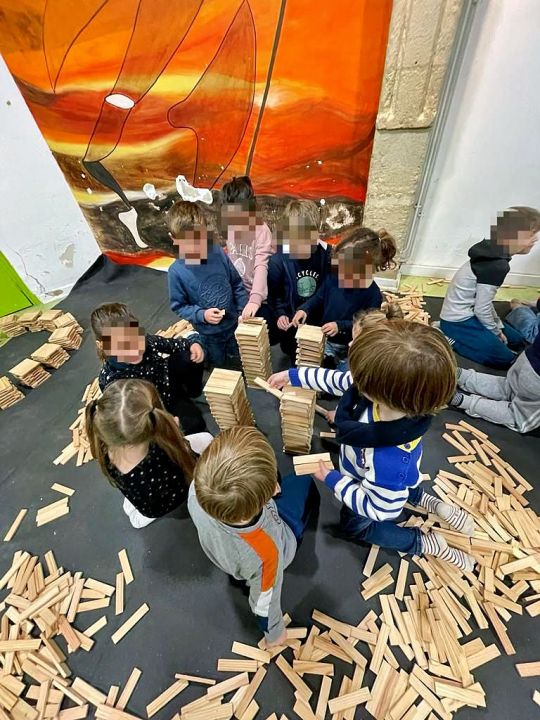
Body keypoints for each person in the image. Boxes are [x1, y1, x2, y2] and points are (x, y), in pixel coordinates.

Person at [269, 321, 476, 571]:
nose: (349, 344)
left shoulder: (388, 462)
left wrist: (333, 480)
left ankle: (425, 543)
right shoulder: (391, 395)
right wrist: (293, 376)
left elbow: (377, 509)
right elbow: (338, 380)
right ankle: (431, 503)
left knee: (357, 526)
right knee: (401, 488)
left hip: (373, 487)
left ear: (378, 392)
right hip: (389, 479)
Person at [188, 427, 316, 647]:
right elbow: (265, 604)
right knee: (304, 482)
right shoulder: (268, 553)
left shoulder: (195, 491)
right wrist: (275, 634)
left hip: (225, 552)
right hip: (279, 541)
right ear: (268, 496)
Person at [86, 379, 213, 528]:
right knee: (207, 438)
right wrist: (173, 431)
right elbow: (183, 457)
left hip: (145, 497)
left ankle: (138, 509)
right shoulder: (163, 451)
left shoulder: (104, 448)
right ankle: (143, 513)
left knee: (141, 502)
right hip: (171, 498)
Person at [439, 206, 540, 369]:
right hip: (458, 320)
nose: (535, 239)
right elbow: (481, 309)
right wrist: (496, 333)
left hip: (473, 312)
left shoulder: (494, 252)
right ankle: (446, 336)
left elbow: (484, 302)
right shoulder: (496, 266)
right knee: (506, 359)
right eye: (531, 235)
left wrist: (498, 326)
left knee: (518, 342)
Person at [91, 302, 206, 435]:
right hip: (153, 410)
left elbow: (174, 345)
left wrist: (193, 343)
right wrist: (159, 424)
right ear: (104, 346)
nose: (134, 348)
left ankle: (193, 392)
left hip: (168, 385)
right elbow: (129, 418)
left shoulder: (147, 341)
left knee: (187, 356)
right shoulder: (112, 380)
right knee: (195, 424)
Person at [291, 226, 397, 367]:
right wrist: (305, 308)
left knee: (342, 371)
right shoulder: (334, 278)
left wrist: (340, 325)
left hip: (349, 345)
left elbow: (366, 325)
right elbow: (319, 297)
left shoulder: (373, 295)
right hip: (326, 339)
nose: (341, 273)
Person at [167, 200, 248, 368]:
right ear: (173, 238)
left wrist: (243, 310)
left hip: (234, 324)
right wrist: (202, 315)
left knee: (242, 360)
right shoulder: (176, 272)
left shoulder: (217, 251)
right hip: (209, 334)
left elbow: (236, 283)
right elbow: (179, 306)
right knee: (219, 366)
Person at [268, 199, 330, 359]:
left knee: (315, 357)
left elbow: (329, 287)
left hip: (318, 322)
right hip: (291, 323)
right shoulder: (278, 261)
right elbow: (274, 295)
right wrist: (280, 314)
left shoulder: (327, 255)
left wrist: (309, 308)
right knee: (292, 353)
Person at [450, 332, 540, 434]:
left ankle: (455, 374)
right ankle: (458, 399)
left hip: (530, 356)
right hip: (536, 375)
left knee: (508, 387)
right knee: (518, 416)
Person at [220, 176, 273, 321]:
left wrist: (255, 299)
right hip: (237, 292)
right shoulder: (230, 227)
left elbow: (261, 265)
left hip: (258, 295)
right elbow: (231, 255)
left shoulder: (261, 230)